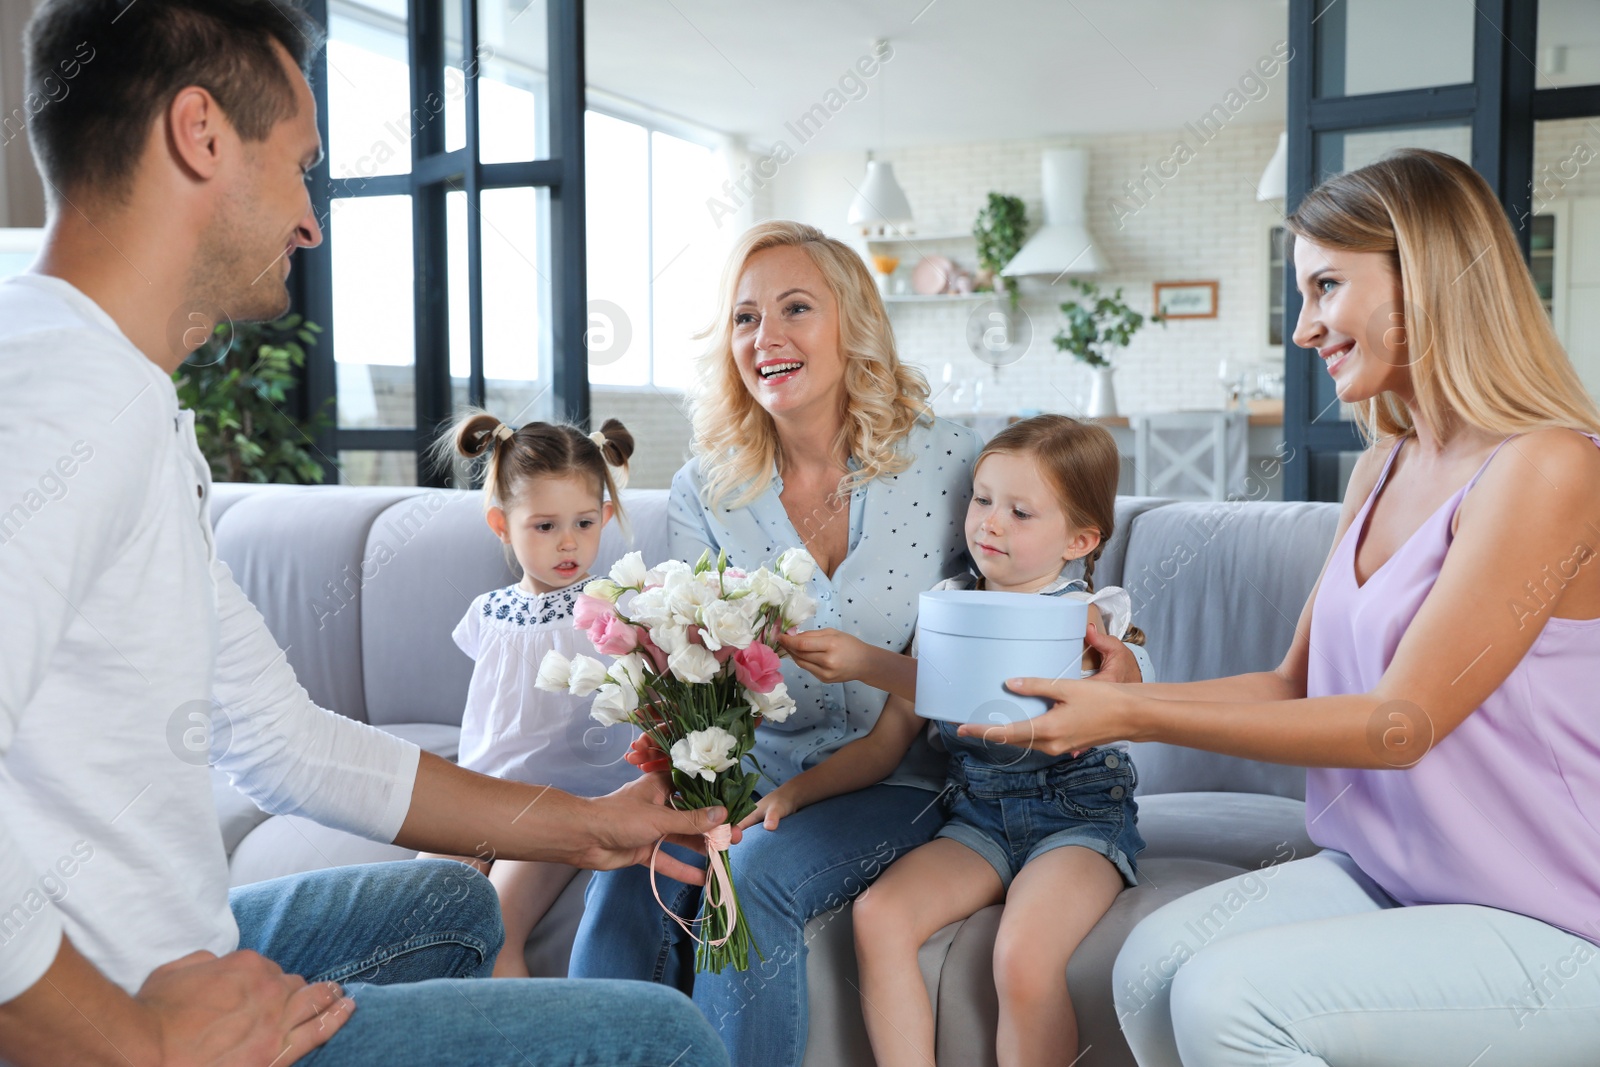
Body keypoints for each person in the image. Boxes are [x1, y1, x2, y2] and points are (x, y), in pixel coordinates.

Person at [0, 3, 728, 1064]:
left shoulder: (121, 393)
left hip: (169, 947)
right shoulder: (62, 394)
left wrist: (592, 823)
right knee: (662, 1038)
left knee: (456, 904)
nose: (312, 219)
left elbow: (282, 739)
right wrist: (142, 1041)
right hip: (109, 1006)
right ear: (200, 135)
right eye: (300, 166)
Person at [974, 149, 1600, 1065]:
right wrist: (1122, 695)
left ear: (1424, 277)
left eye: (1326, 285)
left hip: (1551, 916)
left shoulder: (1550, 465)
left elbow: (1400, 723)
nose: (1304, 328)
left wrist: (1131, 712)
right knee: (1149, 969)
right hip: (1395, 879)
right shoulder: (1381, 464)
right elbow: (1288, 687)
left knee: (1231, 1001)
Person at [568, 220, 1151, 1064]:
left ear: (852, 323)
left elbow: (1036, 587)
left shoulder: (951, 459)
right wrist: (679, 767)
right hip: (754, 766)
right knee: (630, 865)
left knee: (754, 878)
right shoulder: (707, 488)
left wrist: (1110, 642)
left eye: (795, 308)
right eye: (744, 318)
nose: (765, 336)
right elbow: (695, 656)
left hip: (907, 774)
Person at [743, 414, 1148, 1067]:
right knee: (879, 915)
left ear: (1080, 538)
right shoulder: (946, 607)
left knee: (1020, 953)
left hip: (1076, 819)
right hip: (979, 818)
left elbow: (988, 688)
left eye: (1020, 511)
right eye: (982, 499)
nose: (990, 521)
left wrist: (867, 660)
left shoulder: (1086, 617)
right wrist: (794, 792)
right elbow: (884, 744)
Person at [422, 412, 645, 978]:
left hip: (563, 805)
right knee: (416, 901)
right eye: (544, 526)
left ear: (607, 518)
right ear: (502, 524)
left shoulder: (612, 609)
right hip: (481, 794)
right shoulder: (488, 613)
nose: (568, 542)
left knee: (497, 928)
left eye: (585, 523)